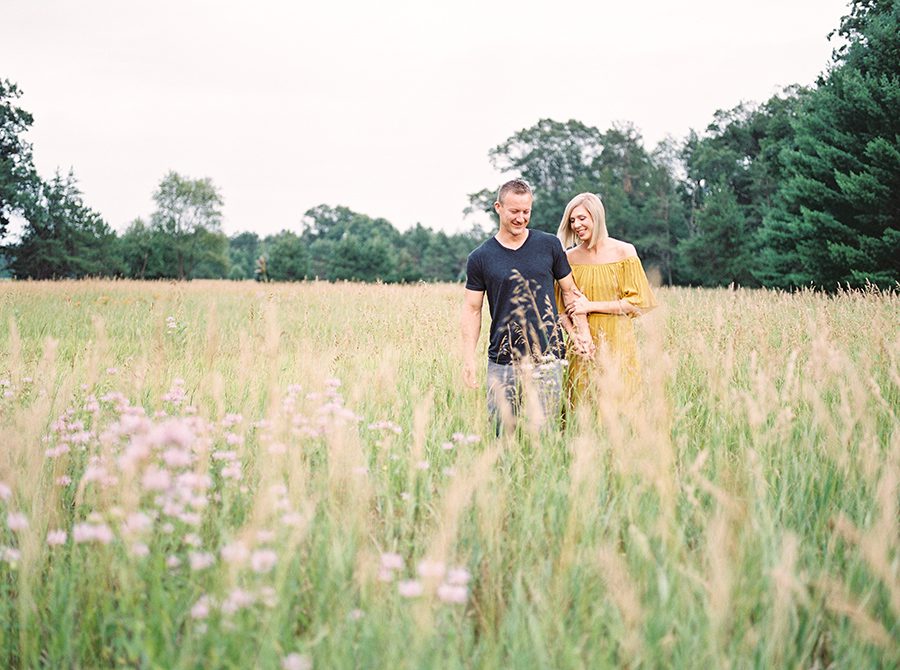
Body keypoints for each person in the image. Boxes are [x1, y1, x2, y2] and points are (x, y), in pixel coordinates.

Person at [461, 179, 592, 432]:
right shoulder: (480, 257)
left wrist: (581, 333)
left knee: (544, 435)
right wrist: (468, 359)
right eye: (514, 211)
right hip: (502, 361)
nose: (521, 218)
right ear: (498, 207)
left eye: (526, 212)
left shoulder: (550, 245)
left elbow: (570, 292)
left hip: (548, 358)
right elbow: (472, 309)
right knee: (501, 434)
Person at [555, 192, 657, 404]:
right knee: (582, 407)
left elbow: (638, 303)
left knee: (619, 406)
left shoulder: (624, 252)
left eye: (582, 218)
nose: (576, 225)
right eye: (572, 220)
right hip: (581, 346)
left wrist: (590, 305)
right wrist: (576, 339)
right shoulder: (568, 258)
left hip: (618, 342)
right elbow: (561, 311)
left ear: (596, 217)